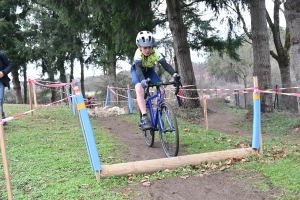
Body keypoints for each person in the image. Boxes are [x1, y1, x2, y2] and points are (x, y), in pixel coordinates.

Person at [131, 30, 181, 130]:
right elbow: (138, 69)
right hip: (138, 71)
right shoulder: (138, 54)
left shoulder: (155, 53)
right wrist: (142, 80)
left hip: (149, 71)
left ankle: (159, 113)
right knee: (139, 89)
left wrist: (175, 74)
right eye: (145, 47)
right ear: (139, 47)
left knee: (161, 90)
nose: (147, 50)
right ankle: (144, 117)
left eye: (149, 47)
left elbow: (165, 65)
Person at [0, 51, 13, 124]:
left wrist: (3, 72)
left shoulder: (1, 55)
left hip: (1, 81)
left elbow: (10, 65)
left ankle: (2, 118)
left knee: (0, 99)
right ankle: (2, 117)